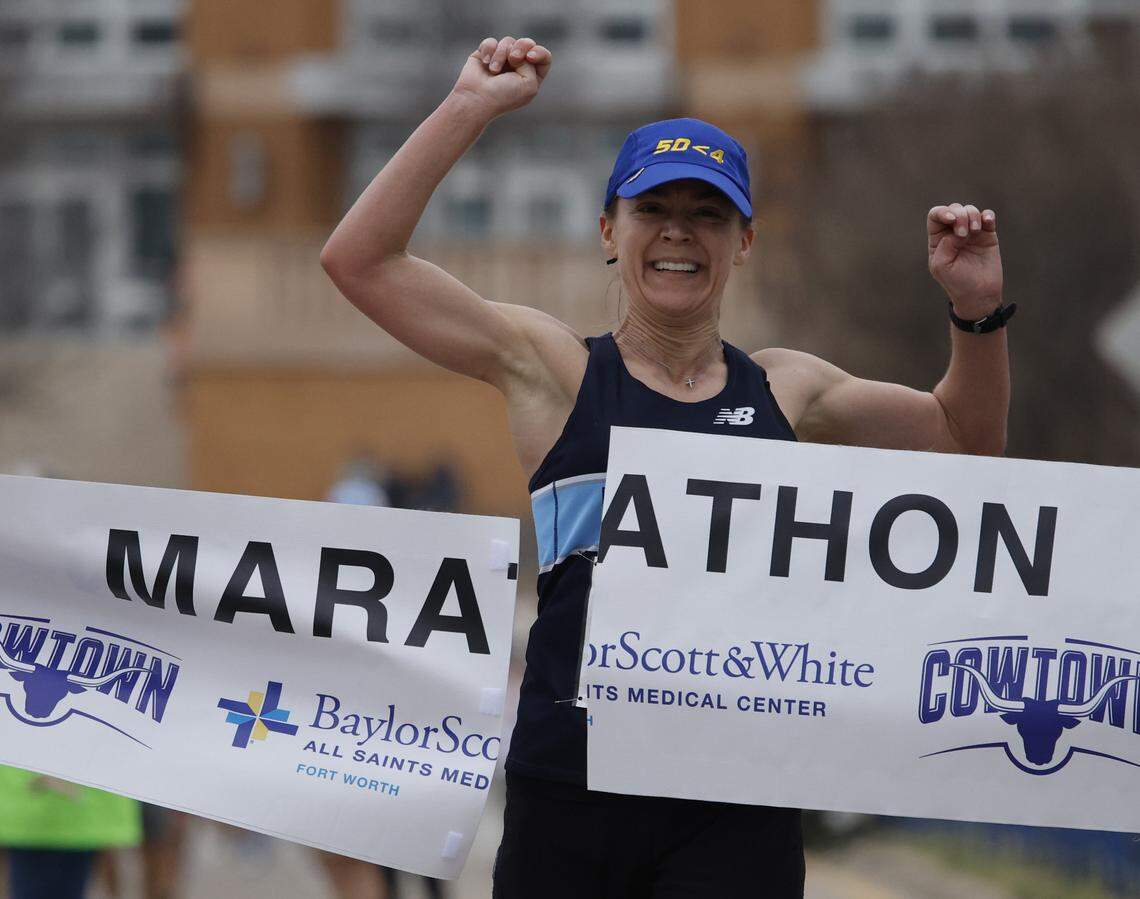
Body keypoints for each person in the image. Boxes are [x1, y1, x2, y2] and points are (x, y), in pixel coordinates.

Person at [320, 35, 1009, 899]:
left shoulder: (788, 388)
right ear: (611, 228)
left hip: (736, 799)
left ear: (744, 239)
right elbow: (359, 261)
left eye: (708, 213)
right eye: (654, 208)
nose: (679, 231)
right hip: (571, 794)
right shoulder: (556, 370)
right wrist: (469, 106)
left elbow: (964, 442)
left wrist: (976, 313)